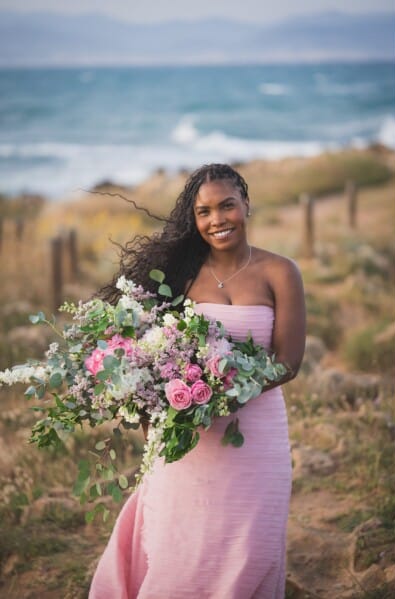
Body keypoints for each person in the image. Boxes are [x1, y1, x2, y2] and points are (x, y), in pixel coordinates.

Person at [89, 163, 306, 598]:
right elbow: (148, 355)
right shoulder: (177, 278)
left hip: (256, 433)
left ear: (246, 205)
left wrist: (225, 391)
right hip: (188, 435)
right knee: (182, 547)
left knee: (255, 543)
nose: (217, 220)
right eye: (204, 212)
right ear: (194, 219)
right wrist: (164, 408)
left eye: (227, 206)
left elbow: (288, 362)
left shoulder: (280, 271)